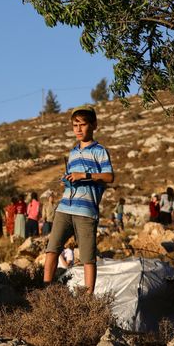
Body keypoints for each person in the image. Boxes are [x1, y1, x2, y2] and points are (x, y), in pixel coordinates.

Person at [43, 106, 115, 293]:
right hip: (64, 207)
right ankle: (46, 292)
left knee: (87, 257)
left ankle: (88, 299)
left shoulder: (100, 151)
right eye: (75, 125)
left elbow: (109, 176)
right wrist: (67, 179)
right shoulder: (73, 152)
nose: (78, 129)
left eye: (83, 124)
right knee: (51, 249)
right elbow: (72, 178)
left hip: (86, 211)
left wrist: (85, 175)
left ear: (94, 125)